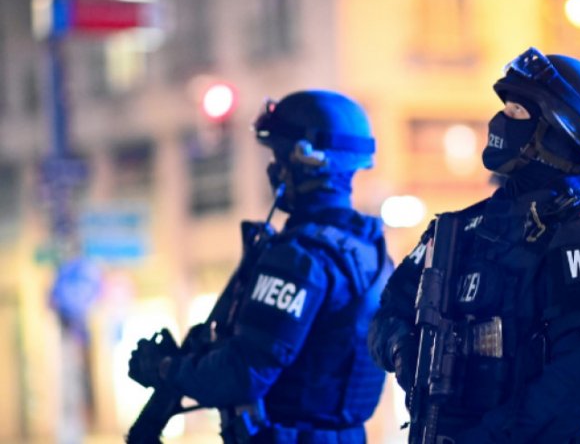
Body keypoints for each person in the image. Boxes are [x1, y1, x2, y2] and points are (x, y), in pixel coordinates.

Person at [368, 47, 580, 443]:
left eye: (518, 111)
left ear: (558, 130)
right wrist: (404, 351)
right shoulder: (457, 229)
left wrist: (489, 438)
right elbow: (386, 315)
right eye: (505, 108)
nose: (500, 121)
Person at [129, 89, 394, 443]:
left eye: (278, 156)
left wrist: (164, 369)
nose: (273, 170)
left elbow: (242, 374)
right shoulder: (371, 253)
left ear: (304, 160)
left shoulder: (299, 258)